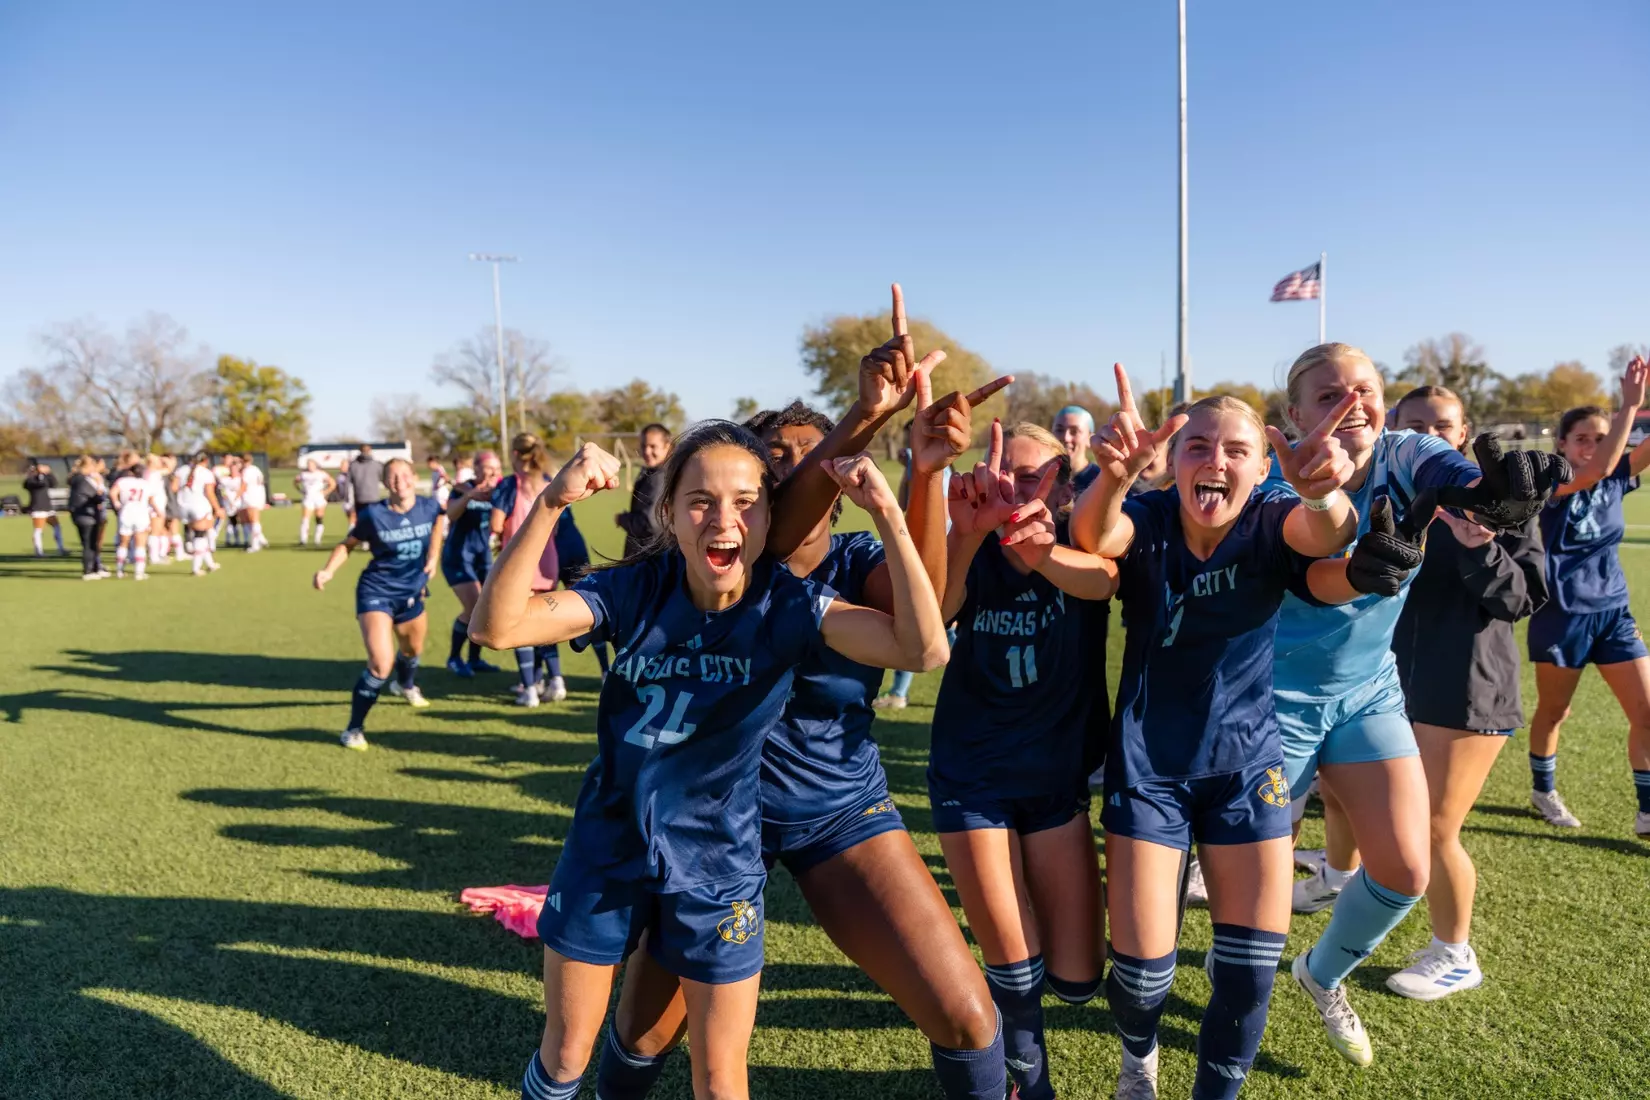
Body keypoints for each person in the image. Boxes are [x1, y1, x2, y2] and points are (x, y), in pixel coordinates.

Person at [467, 423, 950, 1100]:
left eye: (746, 501)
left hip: (719, 859)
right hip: (608, 846)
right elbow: (496, 628)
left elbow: (923, 651)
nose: (724, 519)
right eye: (700, 501)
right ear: (668, 512)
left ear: (768, 516)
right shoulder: (635, 589)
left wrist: (892, 516)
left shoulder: (788, 603)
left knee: (721, 1075)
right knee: (566, 1053)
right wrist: (550, 501)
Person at [595, 387, 1006, 1100]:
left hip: (838, 809)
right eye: (777, 458)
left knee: (967, 1016)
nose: (796, 467)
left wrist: (929, 470)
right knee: (643, 1033)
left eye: (812, 455)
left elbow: (927, 621)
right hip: (711, 822)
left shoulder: (854, 562)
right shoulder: (720, 569)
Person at [1266, 342, 1568, 1066]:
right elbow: (1316, 537)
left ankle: (1323, 974)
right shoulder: (1271, 468)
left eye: (1364, 389)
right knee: (1253, 898)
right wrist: (1339, 532)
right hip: (1273, 698)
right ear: (1293, 414)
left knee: (1406, 866)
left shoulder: (1405, 451)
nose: (1352, 403)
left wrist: (1491, 496)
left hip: (1369, 691)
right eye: (1329, 394)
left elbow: (1454, 476)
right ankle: (1240, 977)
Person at [1067, 367, 1360, 1100]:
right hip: (1148, 764)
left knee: (1248, 971)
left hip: (1248, 763)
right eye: (1197, 445)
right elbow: (1095, 532)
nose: (1216, 461)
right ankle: (1140, 1058)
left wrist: (1320, 488)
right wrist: (1114, 475)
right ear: (1172, 460)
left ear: (1262, 467)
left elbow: (1328, 532)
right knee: (1143, 975)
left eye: (1236, 449)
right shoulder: (1150, 514)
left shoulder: (1270, 515)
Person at [934, 420, 1115, 1100]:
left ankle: (993, 989)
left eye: (1034, 474)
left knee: (1076, 980)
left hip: (1054, 780)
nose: (1013, 485)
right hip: (970, 775)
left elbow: (1100, 584)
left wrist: (1037, 550)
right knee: (1017, 969)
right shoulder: (972, 542)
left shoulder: (1081, 544)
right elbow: (934, 616)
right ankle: (1026, 1083)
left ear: (1065, 488)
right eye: (1003, 471)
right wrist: (969, 532)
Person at [1374, 385, 1551, 1000]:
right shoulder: (1388, 493)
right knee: (1348, 799)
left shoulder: (1501, 501)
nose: (1427, 433)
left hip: (1468, 686)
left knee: (1432, 828)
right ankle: (1334, 877)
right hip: (1391, 680)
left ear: (1463, 432)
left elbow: (1523, 596)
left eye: (1441, 425)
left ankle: (1455, 952)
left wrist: (1483, 547)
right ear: (1394, 429)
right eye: (1413, 423)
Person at [1526, 354, 1650, 836]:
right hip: (1563, 615)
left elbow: (1617, 463)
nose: (1594, 447)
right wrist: (1629, 407)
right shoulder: (1551, 483)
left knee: (1646, 712)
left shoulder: (1617, 477)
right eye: (1583, 438)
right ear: (1561, 445)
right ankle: (1543, 789)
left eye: (1600, 439)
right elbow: (1597, 469)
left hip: (1613, 613)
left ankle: (1646, 812)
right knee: (1555, 711)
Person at [312, 457, 447, 749]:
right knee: (380, 665)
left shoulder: (429, 506)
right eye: (393, 477)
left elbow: (438, 522)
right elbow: (348, 544)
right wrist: (328, 571)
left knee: (412, 650)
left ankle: (406, 685)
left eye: (405, 475)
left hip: (413, 591)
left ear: (414, 476)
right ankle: (353, 730)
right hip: (377, 592)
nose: (401, 481)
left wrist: (434, 557)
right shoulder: (374, 514)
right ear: (385, 483)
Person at [491, 433, 565, 706]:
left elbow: (497, 524)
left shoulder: (510, 485)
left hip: (520, 564)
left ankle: (530, 688)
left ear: (513, 454)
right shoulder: (547, 483)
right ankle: (556, 679)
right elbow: (556, 525)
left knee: (518, 624)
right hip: (547, 560)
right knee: (543, 622)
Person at [443, 450, 505, 678]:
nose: (493, 473)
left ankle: (475, 660)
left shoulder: (499, 490)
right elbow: (450, 514)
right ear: (476, 469)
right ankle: (454, 658)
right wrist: (469, 496)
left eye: (497, 469)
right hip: (458, 556)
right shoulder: (463, 489)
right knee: (473, 607)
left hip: (483, 556)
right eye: (489, 468)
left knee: (483, 609)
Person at [615, 423, 672, 558]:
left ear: (667, 446)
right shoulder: (655, 472)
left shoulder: (660, 477)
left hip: (650, 558)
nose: (647, 451)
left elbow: (650, 523)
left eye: (653, 446)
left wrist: (622, 519)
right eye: (643, 446)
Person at [111, 461, 162, 580]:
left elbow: (113, 492)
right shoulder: (145, 484)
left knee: (123, 543)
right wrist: (158, 511)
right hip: (141, 514)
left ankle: (119, 570)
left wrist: (116, 503)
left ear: (130, 472)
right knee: (140, 544)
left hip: (126, 513)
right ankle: (139, 572)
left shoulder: (122, 481)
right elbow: (151, 500)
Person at [178, 452, 224, 576]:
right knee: (200, 536)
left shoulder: (181, 470)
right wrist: (217, 508)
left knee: (199, 536)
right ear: (205, 460)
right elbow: (209, 493)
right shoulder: (206, 473)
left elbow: (173, 488)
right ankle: (196, 568)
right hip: (199, 506)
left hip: (183, 506)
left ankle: (210, 564)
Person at [66, 456, 108, 579]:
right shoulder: (81, 480)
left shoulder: (81, 479)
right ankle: (87, 571)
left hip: (90, 514)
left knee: (93, 543)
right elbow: (97, 497)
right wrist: (99, 485)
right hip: (84, 515)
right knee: (88, 543)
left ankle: (95, 568)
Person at [1052, 405, 1101, 496]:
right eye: (1059, 430)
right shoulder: (1039, 476)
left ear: (1090, 439)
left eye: (1074, 431)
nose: (1066, 438)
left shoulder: (1101, 482)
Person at [23, 461, 66, 557]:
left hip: (48, 507)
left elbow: (54, 483)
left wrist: (49, 473)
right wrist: (40, 473)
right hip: (38, 508)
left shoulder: (43, 478)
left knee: (57, 527)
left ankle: (60, 548)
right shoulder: (30, 480)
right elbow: (40, 484)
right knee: (38, 530)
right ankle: (38, 551)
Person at [295, 459, 337, 547]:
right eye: (308, 464)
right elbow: (295, 482)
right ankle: (303, 540)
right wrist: (300, 490)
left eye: (311, 464)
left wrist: (325, 492)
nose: (310, 466)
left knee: (319, 518)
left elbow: (332, 483)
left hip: (319, 498)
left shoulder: (321, 474)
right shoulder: (304, 474)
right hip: (308, 498)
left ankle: (317, 539)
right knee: (305, 519)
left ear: (315, 465)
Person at [344, 444, 386, 526]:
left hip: (359, 498)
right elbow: (384, 479)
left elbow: (347, 483)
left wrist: (346, 497)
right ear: (370, 451)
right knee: (374, 522)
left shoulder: (353, 465)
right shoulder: (377, 465)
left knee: (361, 523)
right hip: (374, 498)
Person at [239, 453, 269, 551]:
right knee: (250, 520)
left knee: (253, 520)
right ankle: (261, 539)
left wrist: (236, 496)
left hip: (251, 496)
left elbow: (244, 485)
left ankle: (255, 545)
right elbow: (261, 481)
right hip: (258, 495)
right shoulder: (256, 469)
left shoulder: (247, 471)